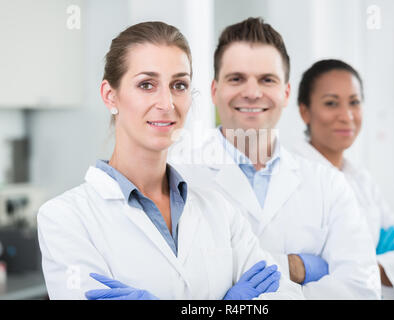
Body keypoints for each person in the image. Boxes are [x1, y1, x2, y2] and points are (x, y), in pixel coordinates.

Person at [37, 21, 306, 300]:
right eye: (146, 84)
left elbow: (285, 296)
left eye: (179, 85)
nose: (167, 103)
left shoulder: (219, 210)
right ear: (110, 95)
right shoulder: (65, 219)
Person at [170, 17, 381, 299]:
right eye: (237, 79)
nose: (253, 93)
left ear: (285, 93)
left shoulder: (328, 184)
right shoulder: (178, 175)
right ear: (214, 91)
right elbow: (174, 283)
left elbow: (361, 289)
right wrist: (299, 268)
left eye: (267, 80)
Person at [294, 59, 394, 299]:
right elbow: (290, 271)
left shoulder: (361, 179)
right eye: (331, 103)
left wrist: (353, 270)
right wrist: (370, 267)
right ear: (305, 111)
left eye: (354, 102)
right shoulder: (292, 176)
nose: (346, 116)